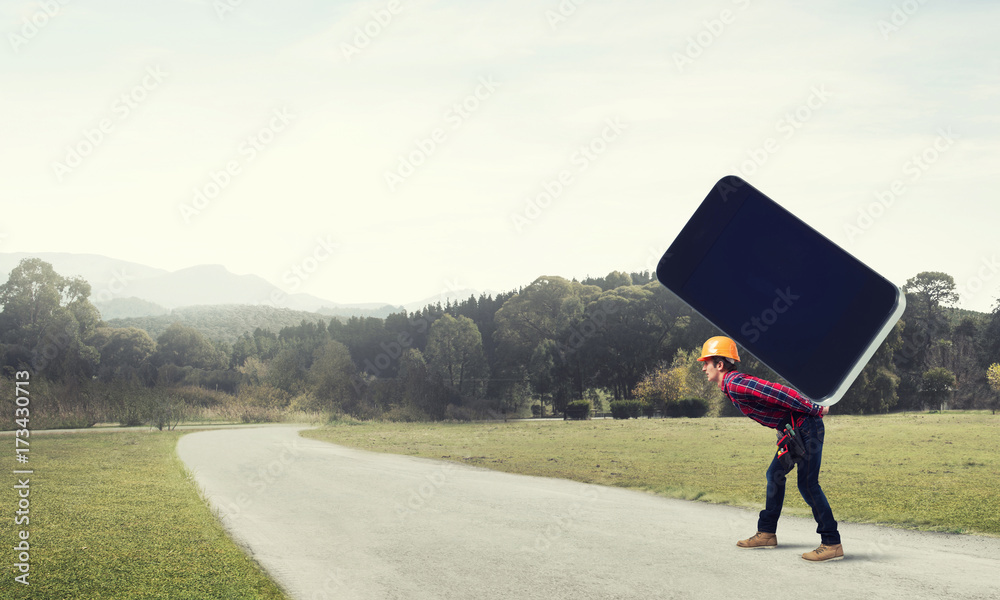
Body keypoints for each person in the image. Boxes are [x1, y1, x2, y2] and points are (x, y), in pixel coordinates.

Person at [698, 335, 843, 562]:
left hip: (807, 427)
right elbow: (772, 406)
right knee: (774, 475)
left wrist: (815, 408)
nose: (703, 368)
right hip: (794, 430)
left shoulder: (735, 383)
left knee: (808, 484)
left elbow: (779, 393)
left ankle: (832, 542)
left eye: (706, 363)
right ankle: (766, 533)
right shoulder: (730, 385)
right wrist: (782, 429)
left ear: (719, 364)